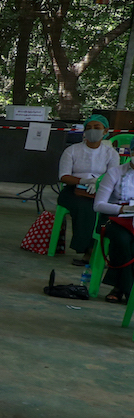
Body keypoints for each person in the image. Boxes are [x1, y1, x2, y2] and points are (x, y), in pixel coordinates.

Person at [57, 113, 121, 266]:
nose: (93, 131)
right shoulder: (72, 151)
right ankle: (87, 250)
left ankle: (100, 250)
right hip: (73, 191)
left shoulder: (111, 153)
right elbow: (64, 176)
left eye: (97, 127)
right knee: (85, 208)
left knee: (106, 209)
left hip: (101, 191)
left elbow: (114, 176)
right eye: (89, 128)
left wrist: (99, 183)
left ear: (105, 131)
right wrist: (84, 181)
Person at [93, 160, 134, 304]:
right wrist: (123, 209)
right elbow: (98, 205)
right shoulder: (115, 173)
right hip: (113, 218)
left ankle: (119, 287)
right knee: (122, 240)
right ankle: (128, 289)